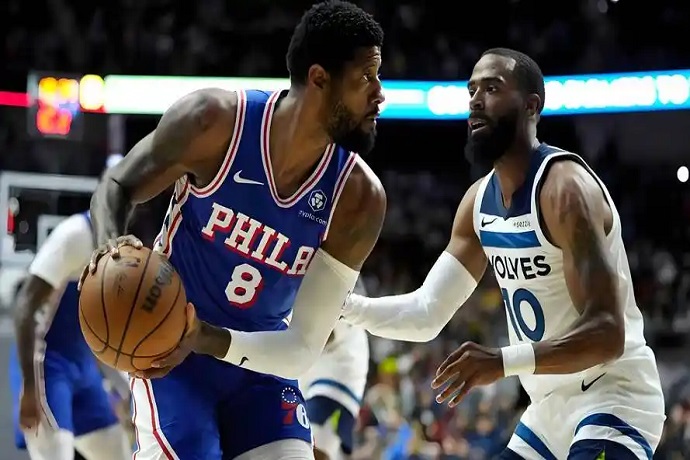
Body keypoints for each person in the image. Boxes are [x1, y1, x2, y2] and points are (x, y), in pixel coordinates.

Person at [81, 1, 387, 458]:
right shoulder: (216, 122)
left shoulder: (359, 198)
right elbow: (117, 185)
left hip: (260, 363)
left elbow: (303, 346)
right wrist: (111, 252)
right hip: (171, 356)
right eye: (366, 77)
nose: (380, 94)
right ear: (320, 78)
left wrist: (204, 337)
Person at [341, 48, 665, 459]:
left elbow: (608, 334)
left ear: (531, 106)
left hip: (614, 394)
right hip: (548, 407)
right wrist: (346, 308)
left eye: (492, 88)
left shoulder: (565, 190)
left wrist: (501, 361)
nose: (476, 100)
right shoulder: (477, 204)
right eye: (472, 90)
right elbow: (426, 313)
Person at [9, 210, 132, 460]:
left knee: (118, 453)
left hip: (84, 367)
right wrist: (30, 387)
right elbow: (24, 308)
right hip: (47, 368)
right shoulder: (76, 233)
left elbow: (101, 334)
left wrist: (126, 391)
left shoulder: (133, 244)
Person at [299, 279, 370, 460]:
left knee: (310, 448)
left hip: (338, 372)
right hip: (318, 367)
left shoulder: (343, 284)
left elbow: (321, 337)